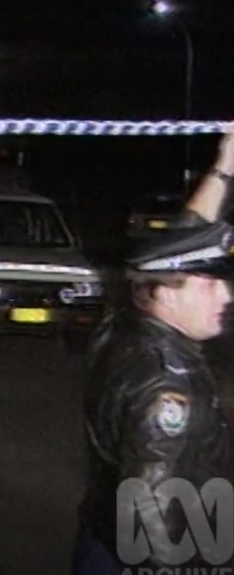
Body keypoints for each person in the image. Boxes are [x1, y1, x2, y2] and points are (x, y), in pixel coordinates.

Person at [73, 131, 234, 574]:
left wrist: (225, 166)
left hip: (99, 541)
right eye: (208, 285)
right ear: (164, 293)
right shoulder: (166, 390)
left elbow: (182, 238)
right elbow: (153, 520)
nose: (225, 296)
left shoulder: (124, 324)